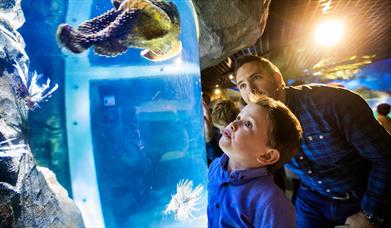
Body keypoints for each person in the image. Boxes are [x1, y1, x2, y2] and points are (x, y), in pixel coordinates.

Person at [233, 55, 391, 227]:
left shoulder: (334, 103)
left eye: (256, 78)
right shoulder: (256, 123)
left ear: (278, 79)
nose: (250, 90)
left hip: (359, 196)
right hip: (310, 195)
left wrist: (370, 213)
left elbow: (385, 157)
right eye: (242, 85)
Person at [208, 96, 303, 228]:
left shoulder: (271, 204)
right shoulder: (215, 167)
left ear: (267, 156)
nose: (233, 124)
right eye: (238, 118)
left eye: (248, 124)